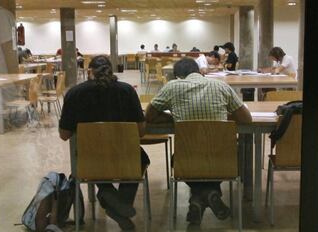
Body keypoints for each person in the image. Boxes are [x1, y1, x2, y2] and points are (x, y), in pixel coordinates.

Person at [145, 58, 252, 225]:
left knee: (180, 161)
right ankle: (209, 194)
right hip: (223, 160)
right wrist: (223, 117)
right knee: (222, 159)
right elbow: (246, 119)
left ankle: (199, 197)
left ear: (177, 75)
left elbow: (149, 116)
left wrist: (173, 118)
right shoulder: (220, 85)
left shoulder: (172, 87)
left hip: (187, 160)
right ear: (199, 71)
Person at [58, 56, 149, 230]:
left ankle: (108, 193)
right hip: (126, 158)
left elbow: (64, 135)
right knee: (141, 159)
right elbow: (140, 131)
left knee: (94, 158)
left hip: (88, 161)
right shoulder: (127, 90)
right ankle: (119, 202)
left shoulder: (75, 93)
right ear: (111, 70)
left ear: (89, 72)